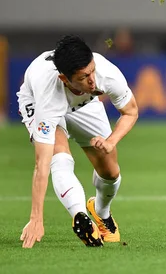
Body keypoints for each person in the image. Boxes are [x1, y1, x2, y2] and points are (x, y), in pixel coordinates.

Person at [17, 35, 138, 248]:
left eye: (92, 70)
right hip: (39, 103)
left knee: (110, 172)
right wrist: (36, 218)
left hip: (85, 103)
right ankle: (80, 216)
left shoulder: (106, 74)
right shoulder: (48, 96)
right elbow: (41, 164)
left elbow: (131, 112)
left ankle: (101, 211)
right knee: (59, 156)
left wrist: (111, 141)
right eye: (84, 76)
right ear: (65, 79)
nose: (92, 80)